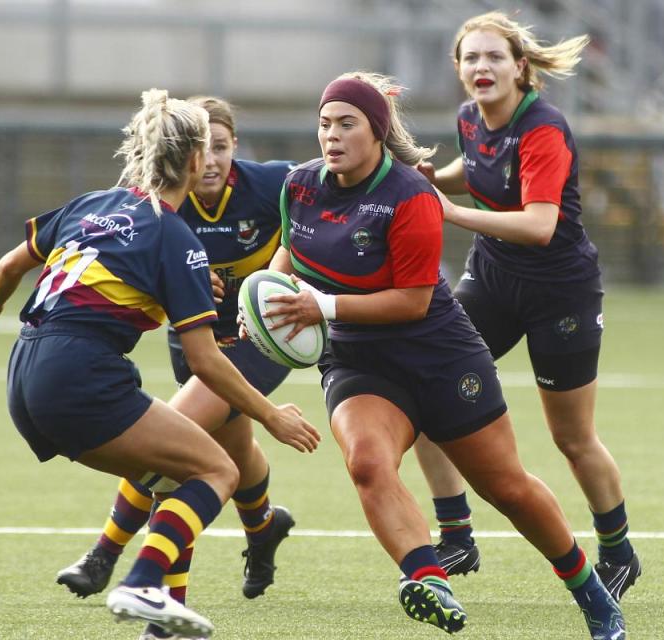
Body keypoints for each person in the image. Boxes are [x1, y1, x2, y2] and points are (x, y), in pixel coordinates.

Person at [261, 71, 625, 639]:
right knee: (367, 463)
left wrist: (322, 307)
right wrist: (261, 298)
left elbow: (411, 302)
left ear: (377, 132)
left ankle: (591, 592)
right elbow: (290, 251)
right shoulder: (299, 186)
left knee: (506, 487)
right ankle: (429, 579)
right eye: (324, 124)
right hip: (358, 359)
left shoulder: (409, 195)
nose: (331, 136)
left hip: (439, 354)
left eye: (347, 124)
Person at [0, 89, 320, 638]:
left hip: (23, 372)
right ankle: (142, 581)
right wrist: (272, 416)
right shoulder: (174, 234)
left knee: (170, 475)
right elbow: (206, 360)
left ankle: (161, 624)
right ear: (189, 160)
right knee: (217, 471)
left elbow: (12, 263)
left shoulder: (91, 203)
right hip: (79, 375)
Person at [414, 11, 641, 602]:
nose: (481, 67)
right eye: (471, 58)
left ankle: (617, 549)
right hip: (493, 280)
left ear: (520, 68)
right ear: (459, 69)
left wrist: (452, 213)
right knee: (422, 385)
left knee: (571, 437)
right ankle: (456, 533)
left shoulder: (543, 127)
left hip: (559, 292)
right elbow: (477, 168)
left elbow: (541, 226)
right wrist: (433, 179)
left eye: (494, 57)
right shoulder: (470, 119)